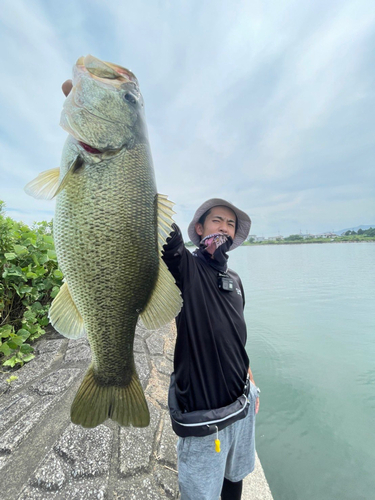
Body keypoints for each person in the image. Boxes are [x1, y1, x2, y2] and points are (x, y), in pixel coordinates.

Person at [162, 199, 260, 500]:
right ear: (200, 228)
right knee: (201, 493)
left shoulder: (235, 280)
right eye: (217, 220)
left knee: (236, 477)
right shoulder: (187, 269)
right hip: (205, 417)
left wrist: (250, 378)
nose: (224, 228)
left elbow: (235, 336)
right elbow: (166, 237)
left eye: (231, 224)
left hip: (242, 404)